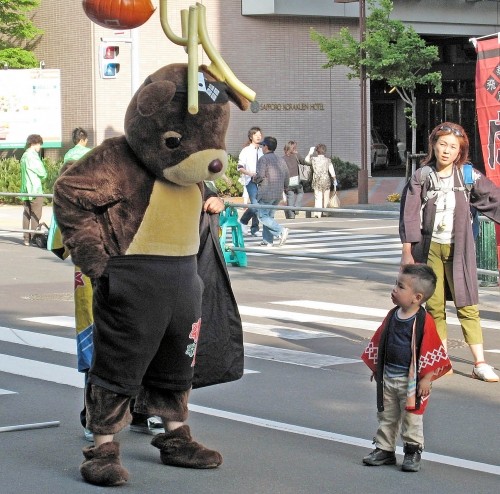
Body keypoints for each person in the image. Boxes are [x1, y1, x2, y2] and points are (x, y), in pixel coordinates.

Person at [400, 121, 500, 382]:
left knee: (468, 305)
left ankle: (479, 362)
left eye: (452, 147)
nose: (446, 150)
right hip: (430, 248)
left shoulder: (468, 175)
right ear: (433, 145)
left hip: (461, 249)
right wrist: (407, 252)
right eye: (442, 144)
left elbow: (494, 198)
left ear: (460, 151)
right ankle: (441, 360)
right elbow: (409, 215)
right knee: (434, 307)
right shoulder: (421, 176)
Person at [361, 264, 451, 472]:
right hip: (389, 376)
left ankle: (412, 451)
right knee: (387, 415)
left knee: (412, 417)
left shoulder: (423, 321)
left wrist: (426, 378)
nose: (394, 289)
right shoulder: (392, 315)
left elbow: (431, 350)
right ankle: (384, 449)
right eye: (396, 284)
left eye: (400, 287)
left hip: (411, 381)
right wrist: (377, 367)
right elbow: (381, 339)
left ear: (417, 298)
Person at [253, 136, 289, 247]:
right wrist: (285, 188)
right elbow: (286, 176)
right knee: (269, 216)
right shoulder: (280, 160)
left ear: (266, 147)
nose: (262, 147)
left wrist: (254, 179)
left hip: (266, 191)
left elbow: (260, 176)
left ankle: (280, 230)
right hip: (278, 192)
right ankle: (267, 240)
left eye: (263, 145)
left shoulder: (263, 159)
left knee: (263, 216)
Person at [20, 134, 47, 246]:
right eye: (39, 144)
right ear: (35, 143)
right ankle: (34, 238)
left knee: (26, 213)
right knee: (36, 214)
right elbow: (42, 173)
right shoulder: (33, 156)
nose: (40, 147)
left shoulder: (24, 156)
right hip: (35, 189)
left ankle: (26, 238)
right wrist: (44, 175)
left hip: (25, 190)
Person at [238, 127, 263, 235]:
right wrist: (249, 173)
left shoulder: (262, 150)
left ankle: (254, 228)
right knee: (255, 204)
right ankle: (243, 220)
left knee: (259, 204)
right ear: (250, 137)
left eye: (260, 134)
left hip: (261, 181)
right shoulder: (246, 150)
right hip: (250, 180)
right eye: (256, 134)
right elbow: (240, 167)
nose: (258, 136)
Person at [305, 143, 335, 218]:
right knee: (326, 197)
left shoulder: (314, 159)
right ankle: (326, 212)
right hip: (326, 180)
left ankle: (317, 213)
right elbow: (332, 171)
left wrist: (310, 152)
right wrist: (334, 180)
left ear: (316, 151)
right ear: (325, 151)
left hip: (317, 180)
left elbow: (306, 160)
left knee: (318, 197)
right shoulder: (328, 160)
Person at [282, 140, 307, 219]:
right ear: (294, 148)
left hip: (288, 181)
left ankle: (291, 216)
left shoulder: (282, 159)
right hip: (297, 180)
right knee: (300, 193)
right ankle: (297, 206)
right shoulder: (297, 156)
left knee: (290, 197)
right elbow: (304, 162)